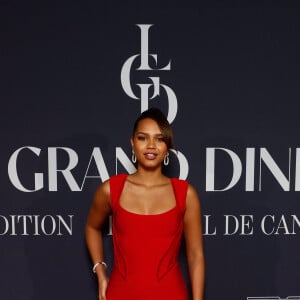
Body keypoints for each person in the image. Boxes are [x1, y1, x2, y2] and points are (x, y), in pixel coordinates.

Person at [85, 107, 205, 300]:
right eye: (143, 138)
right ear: (132, 143)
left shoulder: (185, 194)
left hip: (171, 295)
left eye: (159, 138)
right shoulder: (111, 189)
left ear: (167, 146)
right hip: (120, 294)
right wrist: (100, 272)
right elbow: (92, 227)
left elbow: (195, 254)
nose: (151, 145)